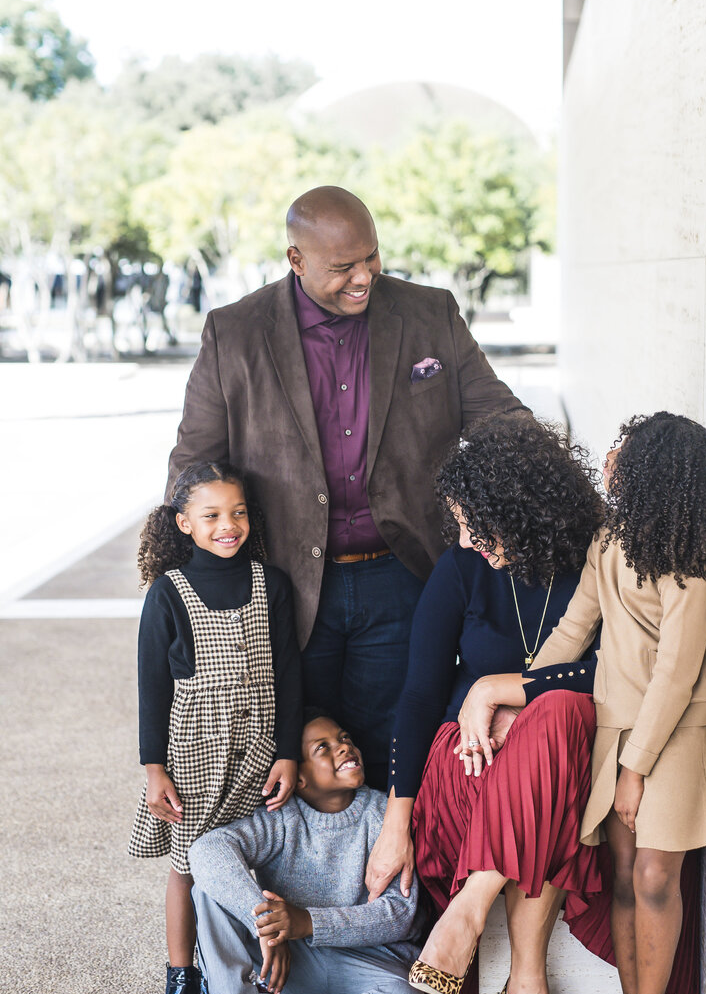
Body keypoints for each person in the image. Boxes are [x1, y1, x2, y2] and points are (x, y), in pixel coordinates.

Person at [167, 185, 525, 791]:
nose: (364, 276)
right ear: (295, 259)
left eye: (371, 257)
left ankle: (394, 882)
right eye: (343, 267)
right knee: (285, 751)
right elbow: (193, 466)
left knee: (394, 748)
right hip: (282, 579)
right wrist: (186, 591)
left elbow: (503, 419)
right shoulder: (235, 334)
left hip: (402, 572)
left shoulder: (430, 313)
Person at [365, 413, 608, 994]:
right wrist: (397, 816)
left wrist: (498, 688)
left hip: (548, 751)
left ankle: (469, 914)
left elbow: (618, 670)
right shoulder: (462, 568)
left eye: (480, 523)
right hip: (465, 758)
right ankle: (525, 988)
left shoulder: (595, 558)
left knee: (555, 721)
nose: (469, 539)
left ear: (526, 510)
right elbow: (417, 696)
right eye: (461, 523)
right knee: (549, 774)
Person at [530, 412, 706, 994]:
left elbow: (675, 676)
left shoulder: (692, 565)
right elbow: (576, 626)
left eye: (624, 451)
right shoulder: (611, 539)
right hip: (615, 727)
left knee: (651, 876)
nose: (609, 457)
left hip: (672, 737)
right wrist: (522, 697)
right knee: (618, 875)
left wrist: (635, 769)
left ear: (653, 473)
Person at [128, 461, 303, 994]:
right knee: (186, 865)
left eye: (238, 513)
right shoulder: (168, 592)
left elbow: (287, 675)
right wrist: (156, 769)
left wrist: (287, 752)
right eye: (211, 516)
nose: (227, 525)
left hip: (256, 744)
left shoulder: (269, 583)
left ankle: (230, 975)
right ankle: (182, 979)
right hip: (195, 747)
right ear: (184, 523)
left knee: (242, 860)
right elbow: (151, 686)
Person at [172, 711, 425, 994]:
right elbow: (206, 850)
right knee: (210, 887)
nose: (343, 746)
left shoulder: (384, 815)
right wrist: (266, 924)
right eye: (322, 748)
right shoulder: (282, 819)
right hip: (290, 964)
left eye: (344, 737)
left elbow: (400, 916)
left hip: (366, 968)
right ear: (298, 777)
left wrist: (306, 922)